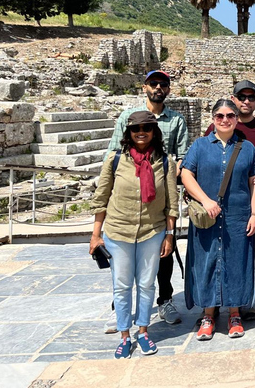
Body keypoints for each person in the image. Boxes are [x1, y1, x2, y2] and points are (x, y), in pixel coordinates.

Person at [104, 70, 188, 331]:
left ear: (169, 90)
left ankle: (164, 300)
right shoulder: (128, 117)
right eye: (154, 83)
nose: (158, 88)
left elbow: (183, 156)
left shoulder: (176, 121)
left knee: (164, 253)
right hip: (129, 199)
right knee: (124, 258)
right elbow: (114, 154)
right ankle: (122, 309)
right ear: (145, 87)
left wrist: (166, 172)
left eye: (163, 84)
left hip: (160, 196)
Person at [90, 111, 178, 358]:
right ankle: (124, 335)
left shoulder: (166, 162)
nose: (141, 132)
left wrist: (169, 235)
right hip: (119, 231)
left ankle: (143, 331)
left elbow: (171, 202)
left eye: (146, 128)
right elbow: (101, 198)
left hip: (152, 231)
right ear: (128, 132)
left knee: (147, 284)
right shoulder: (115, 160)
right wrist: (96, 235)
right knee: (121, 286)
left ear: (154, 132)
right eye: (136, 128)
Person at [181, 99, 255, 341]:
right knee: (206, 262)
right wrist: (206, 201)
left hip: (238, 217)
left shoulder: (247, 148)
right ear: (212, 118)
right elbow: (186, 173)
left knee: (237, 262)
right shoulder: (200, 145)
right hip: (207, 218)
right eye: (219, 115)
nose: (225, 120)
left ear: (237, 119)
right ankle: (208, 315)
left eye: (230, 115)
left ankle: (234, 313)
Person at [204, 80, 255, 321]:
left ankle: (242, 300)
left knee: (248, 253)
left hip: (249, 204)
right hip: (218, 204)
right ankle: (213, 304)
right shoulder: (217, 126)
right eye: (242, 96)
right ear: (233, 98)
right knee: (215, 251)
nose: (246, 101)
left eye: (251, 96)